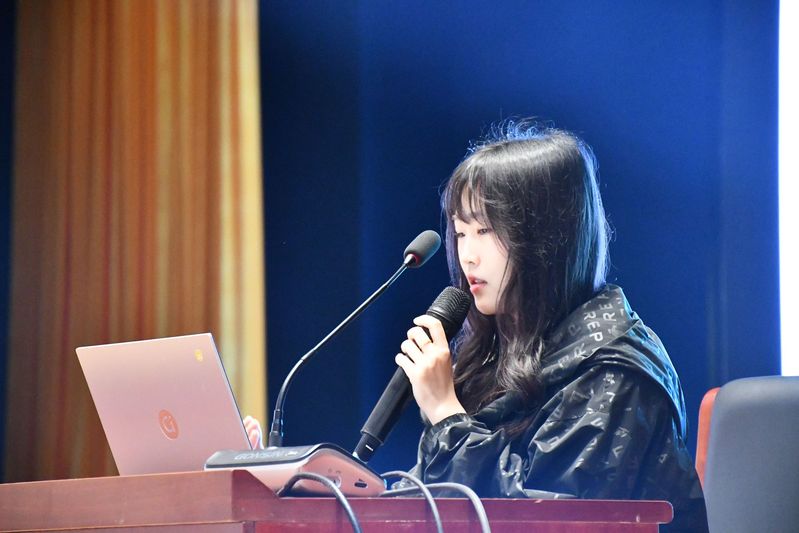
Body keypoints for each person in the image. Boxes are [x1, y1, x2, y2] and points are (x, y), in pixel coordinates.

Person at [246, 123, 708, 532]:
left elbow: (549, 516)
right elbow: (430, 503)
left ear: (549, 238)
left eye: (485, 231)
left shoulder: (616, 369)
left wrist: (447, 415)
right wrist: (281, 481)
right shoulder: (493, 352)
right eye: (461, 232)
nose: (467, 254)